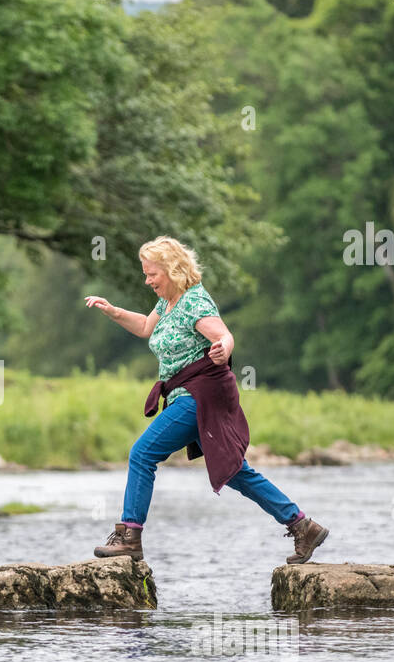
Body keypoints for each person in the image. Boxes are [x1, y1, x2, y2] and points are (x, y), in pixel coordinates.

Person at [84, 235, 328, 564]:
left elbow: (224, 335)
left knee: (142, 454)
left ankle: (130, 537)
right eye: (145, 274)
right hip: (189, 396)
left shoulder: (195, 303)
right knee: (236, 471)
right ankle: (303, 527)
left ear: (171, 270)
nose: (147, 280)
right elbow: (144, 326)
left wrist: (222, 349)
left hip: (198, 398)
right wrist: (113, 311)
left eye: (151, 274)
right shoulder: (166, 303)